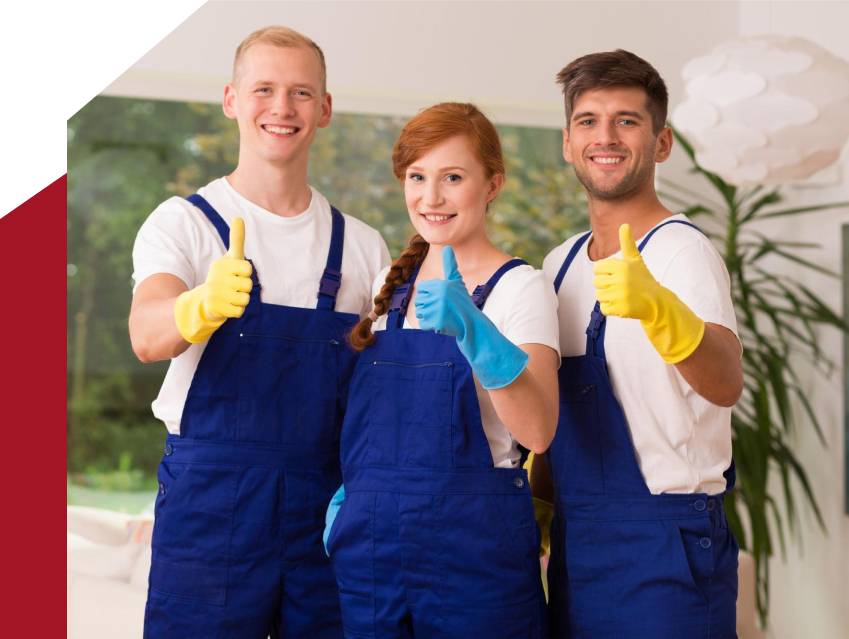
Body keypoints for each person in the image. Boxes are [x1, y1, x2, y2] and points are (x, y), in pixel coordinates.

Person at [128, 26, 389, 638]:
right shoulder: (185, 223)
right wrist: (200, 306)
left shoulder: (361, 246)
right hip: (210, 507)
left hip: (325, 508)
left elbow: (379, 397)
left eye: (301, 93)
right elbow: (146, 332)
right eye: (264, 89)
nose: (282, 107)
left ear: (324, 109)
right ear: (231, 99)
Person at [322, 102, 560, 638]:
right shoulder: (389, 285)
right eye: (417, 177)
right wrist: (353, 498)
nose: (431, 198)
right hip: (375, 557)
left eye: (453, 177)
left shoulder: (520, 287)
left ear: (492, 184)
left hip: (475, 556)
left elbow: (539, 430)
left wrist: (476, 331)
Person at [537, 49, 743, 638]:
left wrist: (660, 309)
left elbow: (727, 380)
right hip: (579, 542)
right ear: (568, 142)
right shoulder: (560, 263)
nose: (606, 136)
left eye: (627, 120)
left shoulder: (683, 252)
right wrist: (536, 510)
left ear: (662, 142)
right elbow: (558, 412)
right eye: (588, 121)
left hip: (667, 542)